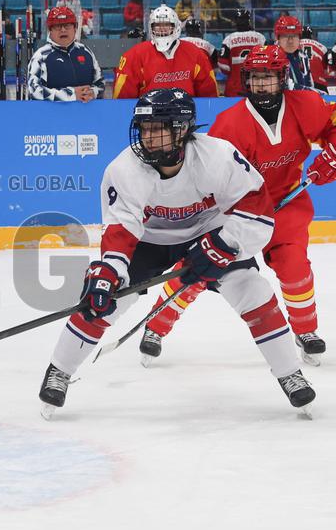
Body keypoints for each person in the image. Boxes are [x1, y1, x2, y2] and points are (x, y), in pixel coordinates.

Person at [38, 87, 317, 419]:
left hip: (211, 232)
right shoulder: (123, 169)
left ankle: (290, 373)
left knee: (252, 290)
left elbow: (257, 212)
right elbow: (121, 230)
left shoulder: (218, 156)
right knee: (106, 299)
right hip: (150, 241)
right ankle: (59, 371)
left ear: (182, 129)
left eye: (158, 128)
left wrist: (226, 244)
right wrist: (109, 271)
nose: (148, 137)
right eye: (145, 128)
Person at [137, 46, 336, 369]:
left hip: (287, 203)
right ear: (247, 81)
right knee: (194, 270)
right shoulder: (230, 125)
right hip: (234, 212)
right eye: (256, 78)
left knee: (295, 266)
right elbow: (207, 176)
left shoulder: (306, 104)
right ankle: (156, 326)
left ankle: (306, 331)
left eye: (268, 78)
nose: (262, 85)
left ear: (282, 78)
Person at [113, 5, 218, 98]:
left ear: (176, 26)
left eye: (166, 24)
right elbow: (122, 100)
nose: (162, 29)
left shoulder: (195, 54)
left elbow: (210, 96)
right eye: (157, 25)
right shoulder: (133, 56)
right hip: (147, 118)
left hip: (187, 116)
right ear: (151, 27)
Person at [27, 6, 103, 102]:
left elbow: (100, 84)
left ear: (75, 28)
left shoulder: (86, 51)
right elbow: (34, 91)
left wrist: (93, 92)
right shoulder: (41, 56)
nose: (63, 30)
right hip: (53, 115)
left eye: (67, 26)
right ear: (50, 30)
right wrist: (70, 95)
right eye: (58, 26)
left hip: (86, 114)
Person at [217, 9, 266, 97]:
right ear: (249, 20)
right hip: (258, 85)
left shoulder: (229, 39)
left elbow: (222, 64)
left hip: (235, 86)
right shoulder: (260, 38)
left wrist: (233, 73)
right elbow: (268, 61)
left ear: (235, 21)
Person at [272, 15, 316, 91]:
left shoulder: (303, 57)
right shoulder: (271, 58)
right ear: (277, 38)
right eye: (286, 36)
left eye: (294, 36)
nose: (290, 41)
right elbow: (286, 87)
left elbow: (310, 84)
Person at [299, 26, 330, 91]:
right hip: (318, 82)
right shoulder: (322, 47)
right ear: (311, 35)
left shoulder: (293, 45)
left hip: (300, 82)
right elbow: (326, 70)